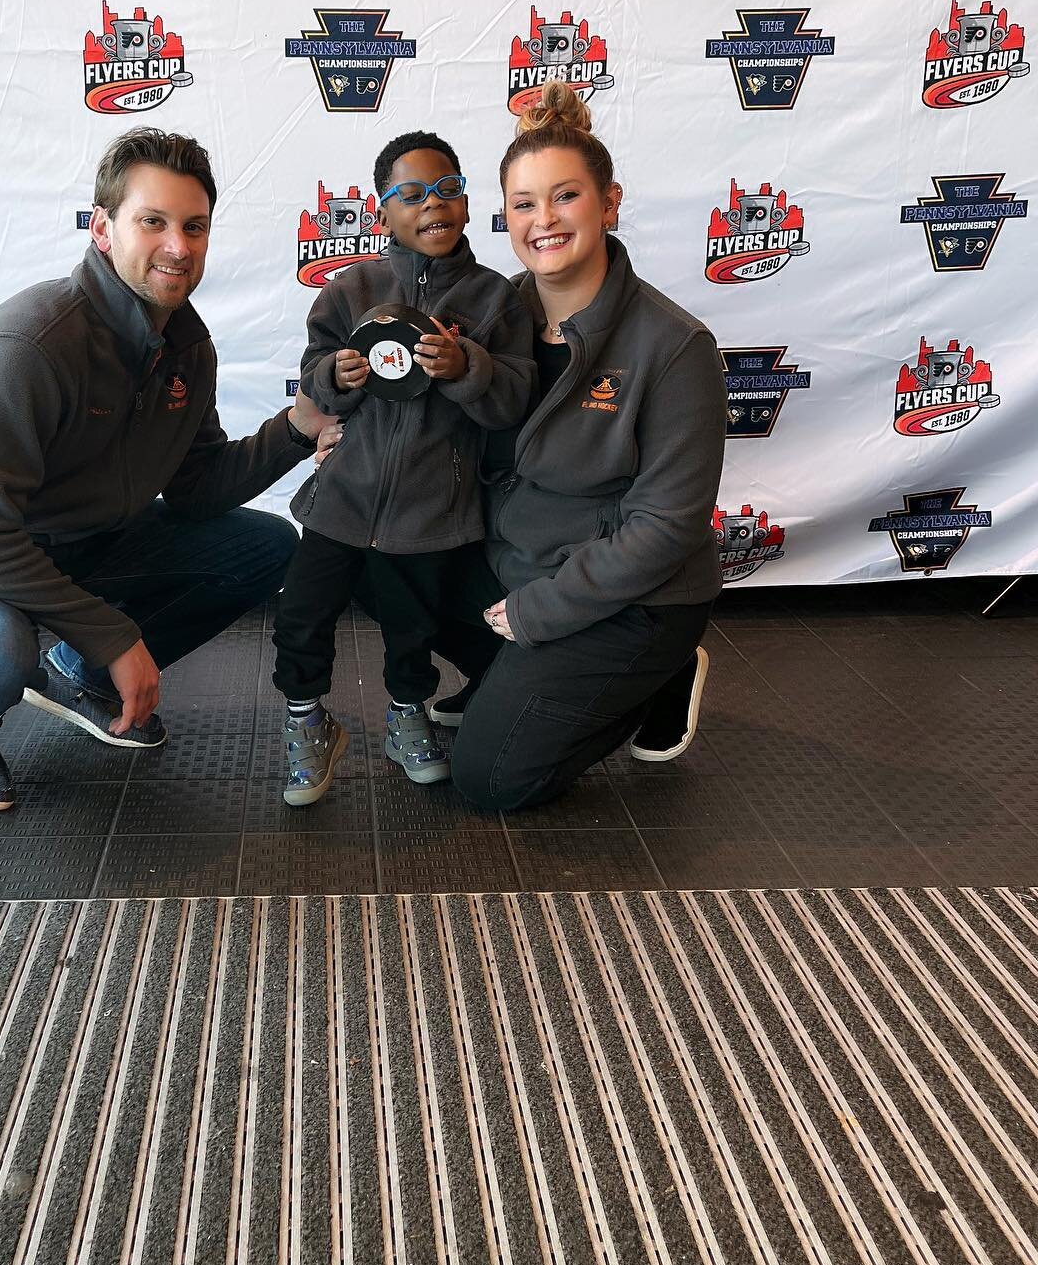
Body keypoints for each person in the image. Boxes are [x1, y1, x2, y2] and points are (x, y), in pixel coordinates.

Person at [0, 127, 335, 815]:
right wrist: (115, 633)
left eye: (194, 225)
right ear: (102, 228)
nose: (178, 246)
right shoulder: (30, 344)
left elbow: (198, 487)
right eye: (153, 222)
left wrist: (295, 431)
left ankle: (82, 679)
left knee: (263, 547)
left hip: (84, 537)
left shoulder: (186, 344)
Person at [425, 81, 726, 810]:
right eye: (525, 204)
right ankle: (519, 679)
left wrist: (542, 611)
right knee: (381, 557)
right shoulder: (490, 318)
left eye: (566, 197)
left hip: (633, 597)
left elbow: (666, 526)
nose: (544, 220)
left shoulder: (674, 346)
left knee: (488, 779)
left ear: (609, 203)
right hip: (518, 562)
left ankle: (660, 673)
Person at [271, 130, 534, 805]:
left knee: (411, 628)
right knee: (302, 614)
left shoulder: (496, 300)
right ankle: (306, 721)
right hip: (342, 500)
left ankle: (405, 716)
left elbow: (511, 401)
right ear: (381, 211)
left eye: (448, 190)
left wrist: (466, 365)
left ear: (469, 205)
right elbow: (312, 380)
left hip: (431, 511)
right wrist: (337, 373)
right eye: (411, 194)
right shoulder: (351, 289)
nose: (432, 205)